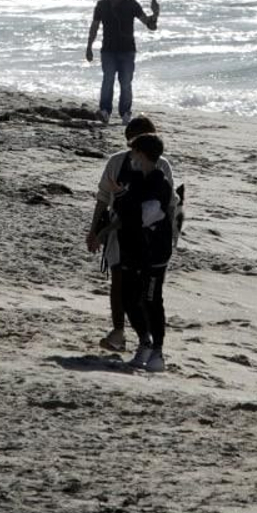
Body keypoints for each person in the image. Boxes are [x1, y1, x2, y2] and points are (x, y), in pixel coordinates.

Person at [86, 116, 176, 354]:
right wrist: (94, 230)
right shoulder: (117, 162)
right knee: (119, 283)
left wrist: (171, 237)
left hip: (150, 242)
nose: (133, 151)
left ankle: (148, 343)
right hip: (120, 236)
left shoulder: (161, 168)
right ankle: (119, 332)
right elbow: (103, 198)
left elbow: (168, 207)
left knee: (146, 294)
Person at [111, 133, 176, 372]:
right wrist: (122, 198)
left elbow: (143, 217)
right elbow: (121, 209)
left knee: (151, 301)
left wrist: (125, 201)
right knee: (128, 298)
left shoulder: (160, 184)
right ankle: (144, 343)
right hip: (133, 250)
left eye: (135, 153)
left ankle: (157, 352)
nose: (132, 157)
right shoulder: (134, 179)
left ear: (143, 154)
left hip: (155, 254)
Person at [85, 0, 160, 125]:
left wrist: (155, 14)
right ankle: (105, 111)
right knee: (108, 80)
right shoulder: (102, 5)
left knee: (126, 82)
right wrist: (89, 46)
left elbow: (150, 25)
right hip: (108, 50)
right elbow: (94, 26)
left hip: (127, 50)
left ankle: (125, 113)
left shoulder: (131, 4)